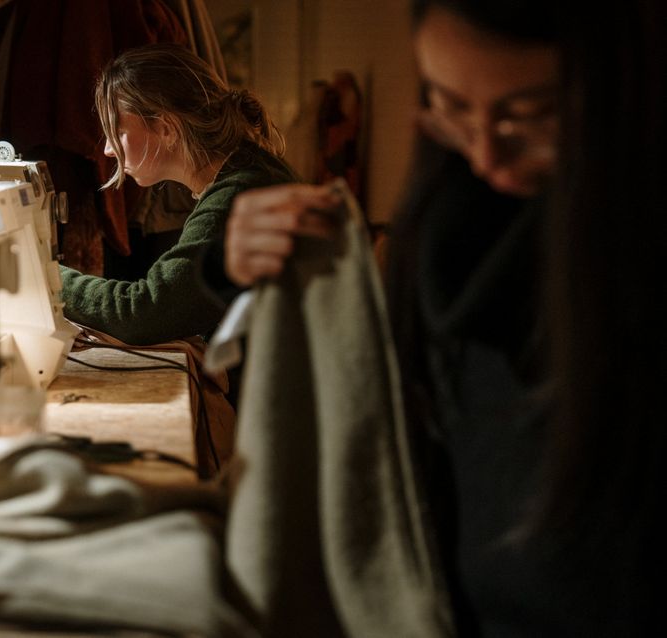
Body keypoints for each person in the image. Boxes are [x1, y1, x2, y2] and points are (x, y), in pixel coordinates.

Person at [222, 0, 666, 635]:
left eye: (531, 113)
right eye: (450, 104)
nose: (486, 155)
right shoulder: (449, 219)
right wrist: (241, 267)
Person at [59, 43, 297, 346]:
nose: (108, 149)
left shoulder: (239, 198)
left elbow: (144, 313)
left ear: (167, 128)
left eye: (117, 131)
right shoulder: (250, 175)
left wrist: (47, 278)